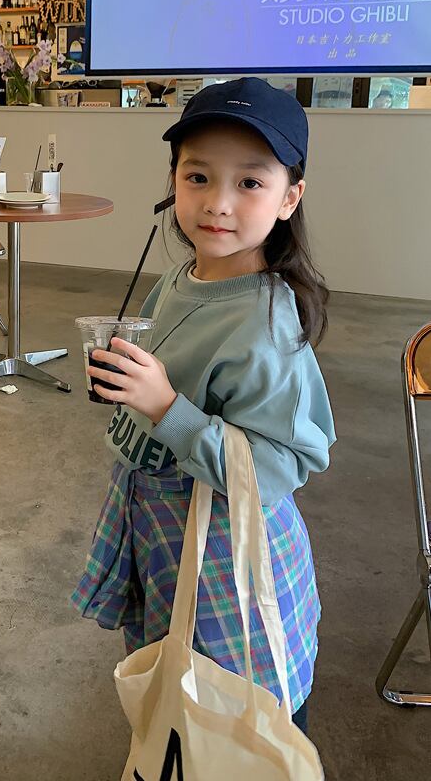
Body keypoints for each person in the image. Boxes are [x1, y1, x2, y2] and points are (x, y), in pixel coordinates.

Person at [72, 77, 336, 740]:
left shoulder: (266, 323)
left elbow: (282, 465)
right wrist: (127, 379)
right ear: (173, 181)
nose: (218, 202)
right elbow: (160, 380)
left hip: (226, 556)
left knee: (234, 722)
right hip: (165, 535)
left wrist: (166, 406)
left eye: (249, 182)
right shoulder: (177, 280)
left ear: (289, 198)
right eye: (198, 176)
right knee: (178, 705)